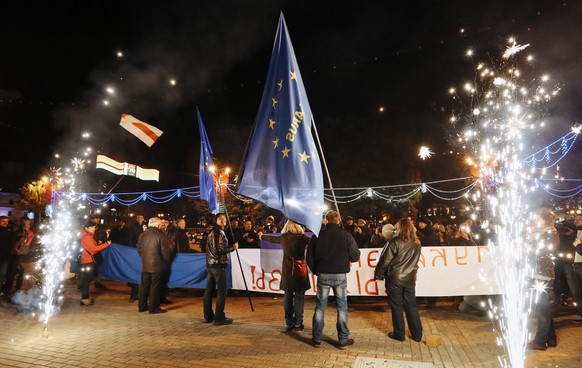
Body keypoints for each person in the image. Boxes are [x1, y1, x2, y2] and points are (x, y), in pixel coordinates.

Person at [306, 210, 360, 349]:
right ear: (337, 221)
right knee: (342, 307)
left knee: (320, 307)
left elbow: (309, 257)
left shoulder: (317, 236)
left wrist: (317, 271)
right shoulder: (346, 235)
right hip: (340, 274)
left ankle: (317, 338)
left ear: (326, 220)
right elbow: (355, 256)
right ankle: (343, 339)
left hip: (323, 273)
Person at [374, 218, 423, 343]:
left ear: (400, 228)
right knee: (411, 306)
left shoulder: (395, 242)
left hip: (394, 279)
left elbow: (384, 261)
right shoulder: (417, 243)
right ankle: (417, 335)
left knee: (397, 306)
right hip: (410, 279)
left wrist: (378, 275)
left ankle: (399, 334)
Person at [260, 220, 311, 331]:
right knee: (299, 297)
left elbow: (271, 238)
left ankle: (289, 322)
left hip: (288, 271)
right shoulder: (303, 238)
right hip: (299, 270)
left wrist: (262, 236)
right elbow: (315, 241)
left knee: (287, 296)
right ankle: (298, 323)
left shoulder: (283, 238)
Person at [528, 208, 559, 350]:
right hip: (538, 272)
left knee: (542, 308)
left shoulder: (551, 234)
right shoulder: (539, 233)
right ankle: (551, 337)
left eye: (538, 218)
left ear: (545, 219)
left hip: (543, 274)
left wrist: (530, 248)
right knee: (543, 307)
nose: (535, 220)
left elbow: (547, 252)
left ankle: (540, 342)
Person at [203, 213, 238, 325]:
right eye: (220, 218)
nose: (223, 220)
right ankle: (219, 317)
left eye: (224, 218)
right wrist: (233, 247)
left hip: (211, 265)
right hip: (218, 265)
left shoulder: (211, 231)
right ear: (215, 220)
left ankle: (208, 315)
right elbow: (218, 250)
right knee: (221, 291)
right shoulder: (217, 232)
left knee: (209, 291)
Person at [137, 217, 172, 314]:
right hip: (158, 265)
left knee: (144, 285)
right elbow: (166, 252)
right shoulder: (161, 235)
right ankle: (153, 308)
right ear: (157, 224)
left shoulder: (142, 235)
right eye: (160, 223)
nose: (161, 225)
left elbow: (139, 250)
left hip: (145, 264)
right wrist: (165, 262)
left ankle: (142, 306)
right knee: (155, 287)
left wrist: (144, 258)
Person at [79, 221, 111, 306]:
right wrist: (106, 244)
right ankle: (84, 298)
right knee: (87, 280)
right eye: (92, 227)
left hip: (86, 260)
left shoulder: (87, 236)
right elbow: (93, 248)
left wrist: (99, 243)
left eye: (94, 227)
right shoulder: (87, 237)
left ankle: (84, 298)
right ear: (87, 228)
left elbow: (91, 246)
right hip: (88, 261)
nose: (94, 229)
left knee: (86, 280)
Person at [2, 216, 34, 295]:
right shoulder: (17, 229)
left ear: (29, 222)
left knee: (15, 272)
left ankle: (14, 290)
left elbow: (26, 244)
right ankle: (8, 288)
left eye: (26, 221)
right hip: (14, 254)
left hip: (20, 255)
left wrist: (18, 249)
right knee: (10, 272)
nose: (24, 222)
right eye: (23, 221)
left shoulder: (29, 232)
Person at [0, 216, 14, 297]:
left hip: (5, 257)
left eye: (7, 221)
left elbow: (10, 244)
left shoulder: (9, 231)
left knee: (2, 274)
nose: (5, 223)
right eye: (3, 221)